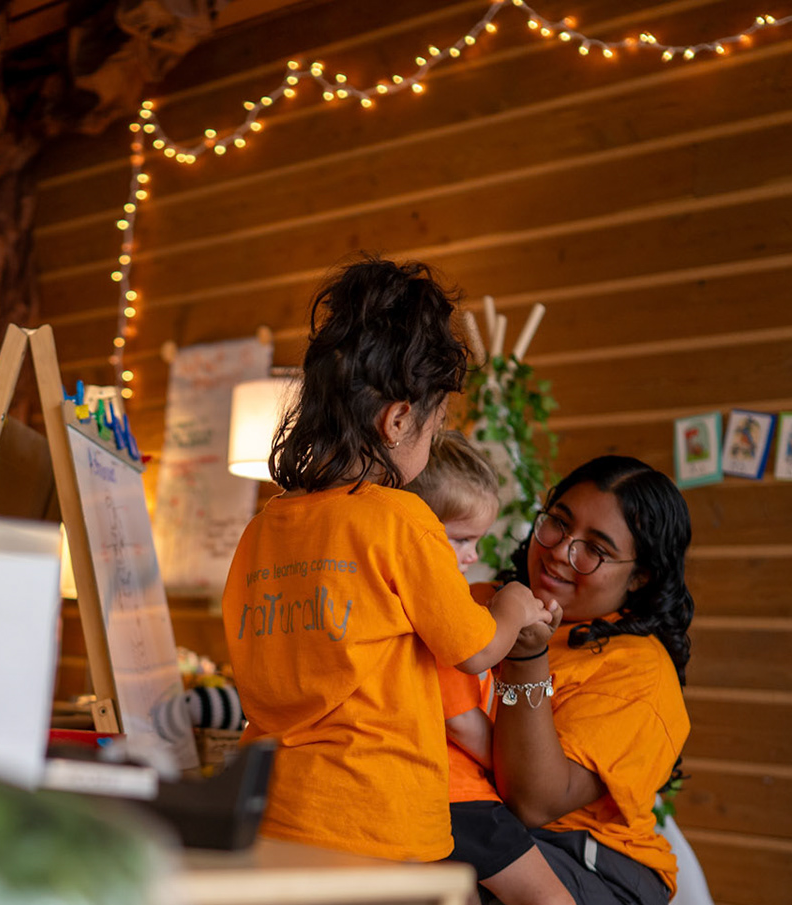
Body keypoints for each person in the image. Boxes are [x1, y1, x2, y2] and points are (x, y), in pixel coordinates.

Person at [222, 257, 557, 863]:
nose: (430, 444)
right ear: (399, 419)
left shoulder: (261, 529)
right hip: (377, 816)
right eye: (434, 430)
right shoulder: (401, 519)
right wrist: (510, 605)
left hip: (269, 808)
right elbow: (477, 648)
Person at [482, 455, 694, 905]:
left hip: (602, 878)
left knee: (431, 900)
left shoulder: (639, 672)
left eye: (595, 550)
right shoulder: (489, 604)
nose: (558, 553)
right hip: (496, 840)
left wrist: (526, 659)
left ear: (640, 576)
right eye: (556, 522)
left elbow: (534, 801)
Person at [403, 432, 576, 905]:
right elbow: (461, 722)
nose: (473, 556)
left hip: (431, 792)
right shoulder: (448, 606)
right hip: (457, 793)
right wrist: (511, 766)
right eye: (459, 541)